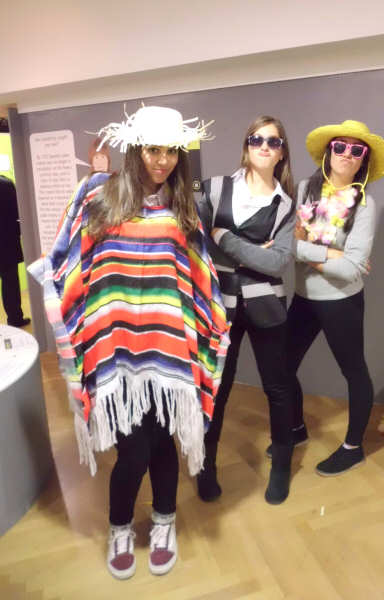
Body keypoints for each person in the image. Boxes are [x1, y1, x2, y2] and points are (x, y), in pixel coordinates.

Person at [28, 106, 229, 579]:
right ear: (135, 149)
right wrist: (66, 306)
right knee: (133, 449)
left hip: (168, 347)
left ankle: (164, 521)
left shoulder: (183, 206)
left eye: (171, 151)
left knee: (163, 444)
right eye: (153, 150)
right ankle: (119, 527)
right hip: (113, 347)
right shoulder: (97, 192)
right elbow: (66, 258)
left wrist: (212, 322)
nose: (162, 160)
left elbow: (199, 274)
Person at [197, 115, 296, 504]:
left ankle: (282, 467)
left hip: (267, 304)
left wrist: (224, 237)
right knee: (217, 387)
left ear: (282, 152)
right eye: (257, 139)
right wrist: (255, 252)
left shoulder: (285, 205)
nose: (264, 147)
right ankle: (205, 466)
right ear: (246, 145)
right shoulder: (213, 188)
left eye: (273, 141)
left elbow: (278, 263)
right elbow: (193, 239)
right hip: (219, 303)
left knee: (278, 387)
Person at [285, 119, 384, 476]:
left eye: (356, 150)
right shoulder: (305, 190)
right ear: (328, 152)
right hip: (303, 296)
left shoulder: (364, 204)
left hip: (341, 301)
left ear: (364, 160)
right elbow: (288, 243)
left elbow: (350, 270)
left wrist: (307, 251)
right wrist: (331, 255)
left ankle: (352, 448)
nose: (347, 154)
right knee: (282, 367)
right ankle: (296, 429)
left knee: (354, 371)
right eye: (340, 146)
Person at [0, 175, 30, 327]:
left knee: (9, 282)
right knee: (10, 283)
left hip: (6, 241)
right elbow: (18, 212)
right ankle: (15, 318)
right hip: (6, 242)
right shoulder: (5, 183)